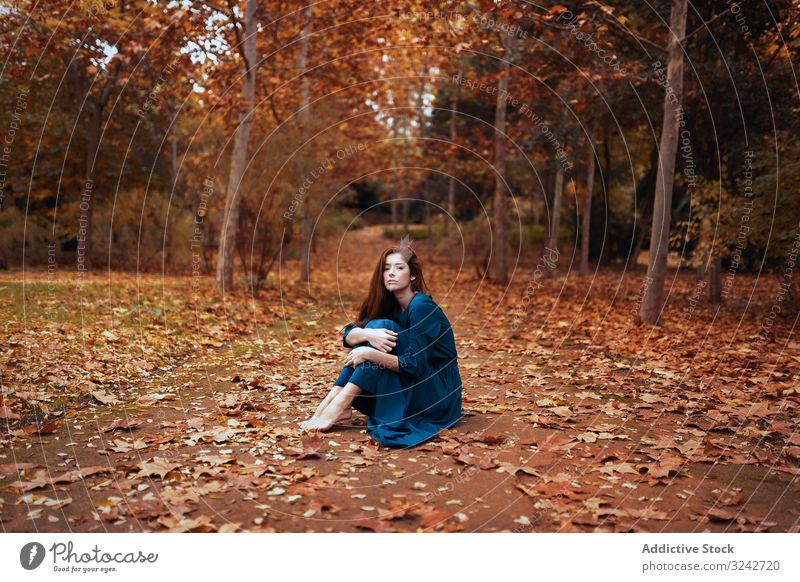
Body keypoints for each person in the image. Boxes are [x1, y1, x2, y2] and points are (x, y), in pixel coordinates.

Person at [299, 240, 463, 448]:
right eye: (386, 269)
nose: (391, 273)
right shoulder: (391, 305)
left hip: (438, 393)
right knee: (377, 326)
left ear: (412, 275)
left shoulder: (422, 307)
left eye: (399, 267)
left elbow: (415, 365)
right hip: (420, 383)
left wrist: (369, 353)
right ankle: (333, 399)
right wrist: (368, 333)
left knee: (380, 328)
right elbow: (348, 335)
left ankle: (340, 403)